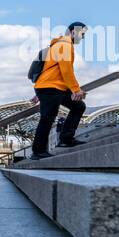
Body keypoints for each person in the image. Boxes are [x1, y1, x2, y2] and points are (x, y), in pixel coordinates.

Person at [31, 21, 89, 159]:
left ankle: (66, 139)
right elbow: (66, 70)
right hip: (51, 87)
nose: (83, 38)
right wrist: (76, 90)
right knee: (47, 118)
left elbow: (50, 70)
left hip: (54, 87)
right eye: (82, 34)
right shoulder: (65, 45)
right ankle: (38, 151)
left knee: (78, 106)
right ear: (74, 32)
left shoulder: (59, 45)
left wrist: (39, 93)